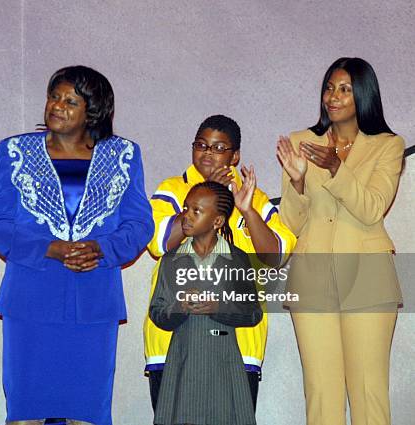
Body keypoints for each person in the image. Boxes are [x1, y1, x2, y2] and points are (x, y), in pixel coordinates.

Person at [0, 65, 154, 425]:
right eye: (54, 97)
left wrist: (101, 248)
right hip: (30, 299)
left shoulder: (123, 154)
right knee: (27, 411)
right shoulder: (15, 151)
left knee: (87, 413)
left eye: (70, 101)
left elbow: (140, 225)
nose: (57, 106)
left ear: (93, 111)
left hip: (94, 303)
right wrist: (50, 247)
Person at [276, 57, 404, 425]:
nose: (333, 97)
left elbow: (372, 208)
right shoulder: (301, 143)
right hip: (312, 280)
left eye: (345, 89)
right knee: (320, 392)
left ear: (363, 95)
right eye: (329, 88)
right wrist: (298, 184)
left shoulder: (388, 146)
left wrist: (336, 168)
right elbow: (291, 222)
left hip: (368, 277)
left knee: (368, 391)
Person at [143, 115, 296, 411]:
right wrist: (207, 193)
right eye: (201, 145)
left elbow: (276, 255)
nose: (207, 153)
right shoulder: (173, 189)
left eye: (218, 147)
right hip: (173, 342)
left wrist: (247, 210)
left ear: (235, 155)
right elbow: (158, 243)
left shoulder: (255, 198)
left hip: (238, 344)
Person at [150, 181, 262, 425]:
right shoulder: (171, 260)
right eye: (185, 208)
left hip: (224, 362)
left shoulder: (236, 259)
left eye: (196, 211)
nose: (186, 216)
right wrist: (180, 307)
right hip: (183, 361)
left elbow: (253, 312)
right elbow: (157, 312)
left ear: (218, 221)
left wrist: (219, 306)